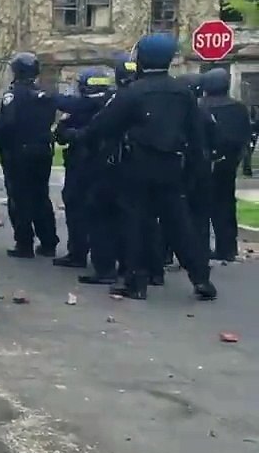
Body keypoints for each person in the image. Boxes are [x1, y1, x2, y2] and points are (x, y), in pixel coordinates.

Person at [78, 33, 217, 301]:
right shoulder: (183, 93)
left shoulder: (133, 92)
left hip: (136, 166)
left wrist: (85, 139)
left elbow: (103, 126)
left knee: (134, 223)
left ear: (142, 58)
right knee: (179, 224)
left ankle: (134, 281)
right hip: (172, 166)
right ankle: (201, 279)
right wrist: (197, 171)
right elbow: (196, 134)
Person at [0, 52, 60, 258]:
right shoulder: (44, 94)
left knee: (19, 198)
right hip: (42, 151)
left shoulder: (13, 95)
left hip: (19, 152)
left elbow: (6, 124)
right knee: (40, 196)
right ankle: (48, 241)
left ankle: (24, 243)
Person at [80, 54, 136, 285]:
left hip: (113, 163)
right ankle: (132, 267)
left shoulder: (119, 99)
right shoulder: (156, 95)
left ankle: (105, 269)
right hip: (142, 165)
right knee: (133, 217)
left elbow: (98, 127)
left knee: (102, 215)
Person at [50, 68, 113, 269]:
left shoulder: (82, 106)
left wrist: (71, 133)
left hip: (82, 162)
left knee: (77, 206)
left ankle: (78, 253)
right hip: (107, 165)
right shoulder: (112, 101)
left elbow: (62, 132)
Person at [199, 67, 251, 261]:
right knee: (226, 205)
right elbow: (244, 136)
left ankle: (202, 247)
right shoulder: (238, 108)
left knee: (201, 206)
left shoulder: (199, 106)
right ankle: (227, 248)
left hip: (203, 163)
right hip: (228, 163)